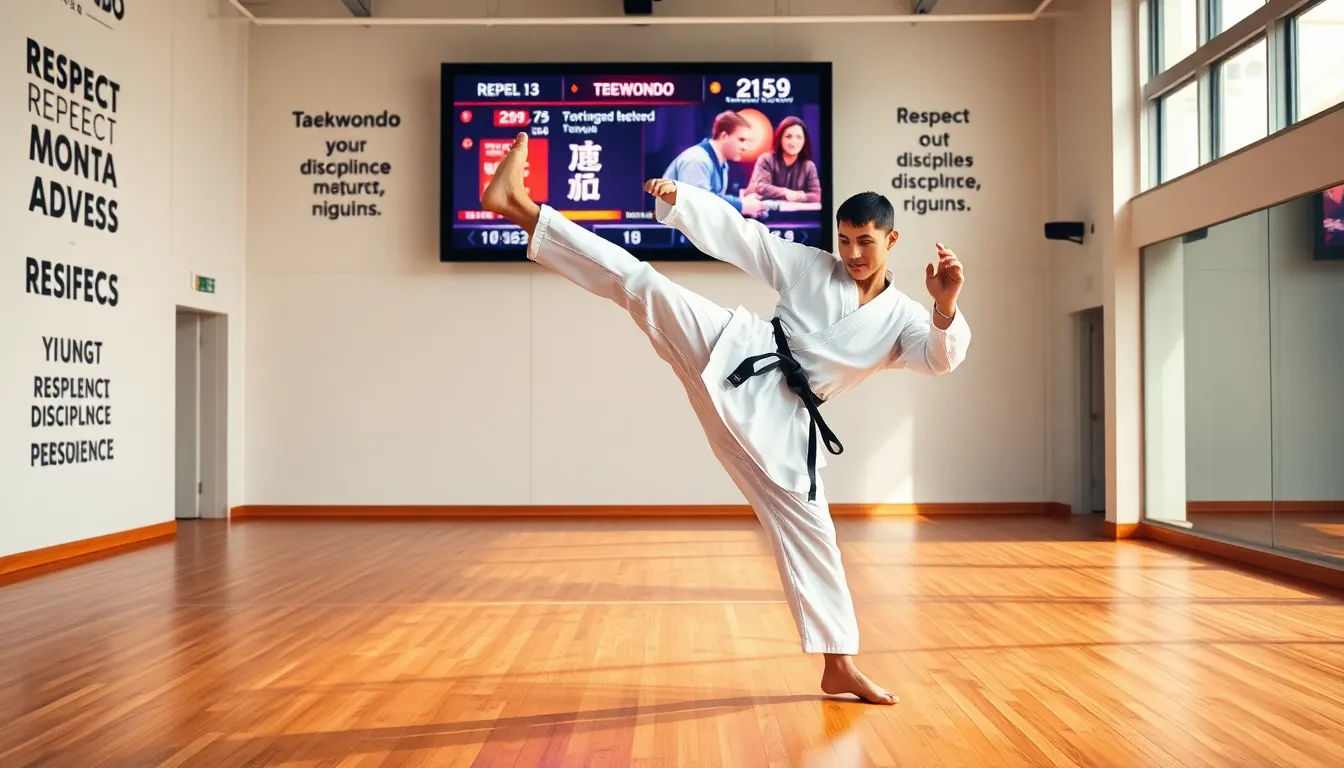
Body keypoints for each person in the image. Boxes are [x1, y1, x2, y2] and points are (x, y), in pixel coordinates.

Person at [481, 133, 970, 705]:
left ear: (892, 239)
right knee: (643, 285)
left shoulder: (908, 319)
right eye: (844, 240)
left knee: (816, 538)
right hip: (735, 353)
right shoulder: (813, 266)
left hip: (784, 426)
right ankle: (518, 207)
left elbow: (939, 359)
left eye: (865, 242)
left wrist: (945, 306)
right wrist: (682, 202)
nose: (854, 254)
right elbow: (746, 238)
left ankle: (839, 664)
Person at [663, 110, 766, 218]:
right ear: (724, 136)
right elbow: (698, 202)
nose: (745, 147)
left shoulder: (722, 164)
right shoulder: (697, 159)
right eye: (741, 140)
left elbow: (713, 200)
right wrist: (741, 205)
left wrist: (743, 202)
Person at [747, 116, 822, 204]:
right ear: (780, 138)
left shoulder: (808, 166)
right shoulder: (766, 159)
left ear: (804, 141)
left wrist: (799, 196)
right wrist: (786, 193)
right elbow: (761, 187)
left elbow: (817, 195)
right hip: (760, 211)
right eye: (788, 136)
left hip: (794, 214)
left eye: (799, 137)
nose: (793, 141)